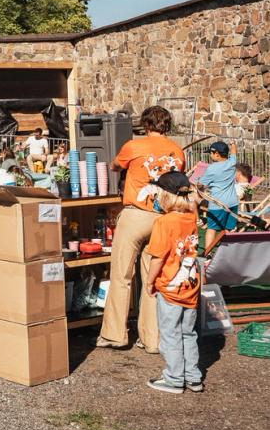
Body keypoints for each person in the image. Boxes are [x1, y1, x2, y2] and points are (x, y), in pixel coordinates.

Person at [97, 105, 185, 353]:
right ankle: (152, 339)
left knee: (121, 276)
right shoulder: (177, 151)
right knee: (152, 279)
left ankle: (115, 335)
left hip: (137, 215)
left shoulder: (134, 146)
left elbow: (115, 165)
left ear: (146, 125)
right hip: (163, 217)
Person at [143, 171, 204, 394]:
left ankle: (174, 378)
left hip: (170, 287)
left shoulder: (164, 222)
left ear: (165, 195)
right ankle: (193, 377)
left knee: (170, 334)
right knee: (188, 333)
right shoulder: (191, 218)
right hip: (190, 287)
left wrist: (149, 281)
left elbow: (158, 258)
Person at [198, 141, 239, 250]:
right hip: (233, 203)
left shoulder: (212, 168)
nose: (210, 155)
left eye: (211, 153)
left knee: (211, 229)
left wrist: (199, 187)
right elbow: (234, 153)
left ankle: (207, 254)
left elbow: (200, 185)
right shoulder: (232, 162)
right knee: (229, 229)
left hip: (218, 204)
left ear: (216, 154)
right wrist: (233, 144)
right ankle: (228, 252)